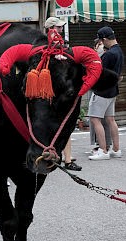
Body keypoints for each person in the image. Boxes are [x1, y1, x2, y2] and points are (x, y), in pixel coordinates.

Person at [44, 16, 82, 171]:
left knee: (64, 125)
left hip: (60, 90)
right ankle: (59, 157)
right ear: (51, 29)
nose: (60, 29)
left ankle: (65, 158)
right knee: (56, 126)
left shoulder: (61, 45)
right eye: (58, 27)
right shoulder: (47, 46)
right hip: (50, 91)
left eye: (60, 27)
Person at [88, 26, 123, 161]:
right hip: (113, 90)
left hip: (102, 91)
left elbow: (98, 72)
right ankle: (116, 149)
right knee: (110, 119)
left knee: (95, 119)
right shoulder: (119, 51)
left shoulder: (108, 54)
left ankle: (103, 150)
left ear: (103, 40)